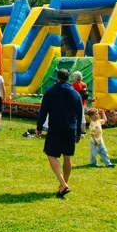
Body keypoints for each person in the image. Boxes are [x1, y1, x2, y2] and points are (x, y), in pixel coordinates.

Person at [36, 69, 84, 198]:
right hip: (71, 128)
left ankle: (62, 183)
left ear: (57, 78)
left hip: (55, 128)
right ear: (69, 78)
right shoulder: (75, 94)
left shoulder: (50, 92)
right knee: (67, 157)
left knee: (51, 154)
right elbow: (80, 115)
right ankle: (64, 184)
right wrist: (79, 132)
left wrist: (39, 126)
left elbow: (43, 111)